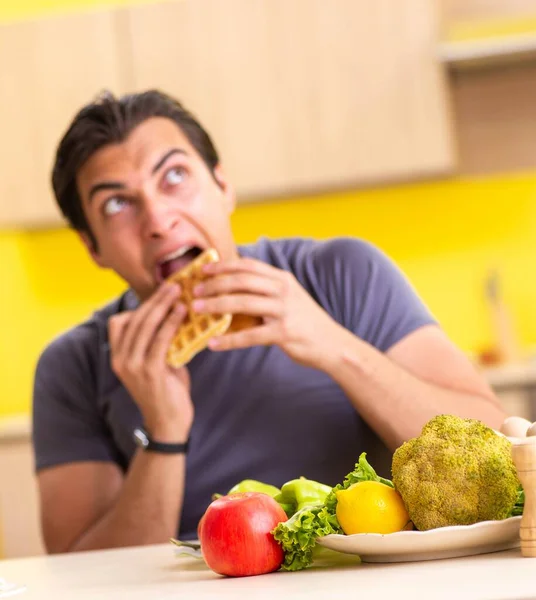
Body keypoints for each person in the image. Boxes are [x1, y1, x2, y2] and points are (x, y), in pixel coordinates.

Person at [32, 89, 506, 555]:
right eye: (116, 204)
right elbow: (81, 575)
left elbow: (496, 444)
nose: (157, 219)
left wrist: (334, 345)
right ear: (92, 246)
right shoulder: (74, 365)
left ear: (223, 186)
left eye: (174, 175)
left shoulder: (339, 274)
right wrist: (164, 433)